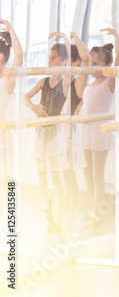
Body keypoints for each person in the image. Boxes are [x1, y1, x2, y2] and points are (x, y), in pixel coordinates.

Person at [24, 36, 72, 233]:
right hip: (39, 132)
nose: (50, 61)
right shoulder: (43, 81)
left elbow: (70, 71)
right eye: (49, 57)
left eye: (54, 58)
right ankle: (47, 207)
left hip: (54, 134)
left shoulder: (66, 83)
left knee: (55, 175)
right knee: (41, 174)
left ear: (63, 62)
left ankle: (59, 218)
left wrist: (65, 38)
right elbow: (26, 98)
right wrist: (34, 107)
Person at [78, 28, 119, 223]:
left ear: (107, 65)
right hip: (86, 130)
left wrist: (116, 38)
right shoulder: (89, 84)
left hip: (100, 132)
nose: (92, 67)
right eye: (90, 63)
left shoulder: (108, 83)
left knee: (97, 173)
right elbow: (84, 103)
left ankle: (97, 211)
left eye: (96, 64)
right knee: (87, 170)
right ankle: (91, 206)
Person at [51, 32, 89, 217]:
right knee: (59, 175)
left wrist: (71, 37)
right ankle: (61, 212)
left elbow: (85, 58)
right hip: (56, 131)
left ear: (74, 64)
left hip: (68, 134)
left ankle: (70, 214)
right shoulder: (60, 82)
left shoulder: (79, 84)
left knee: (68, 175)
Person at [0, 20, 23, 220]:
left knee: (4, 178)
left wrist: (10, 29)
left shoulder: (7, 79)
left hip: (2, 132)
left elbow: (20, 55)